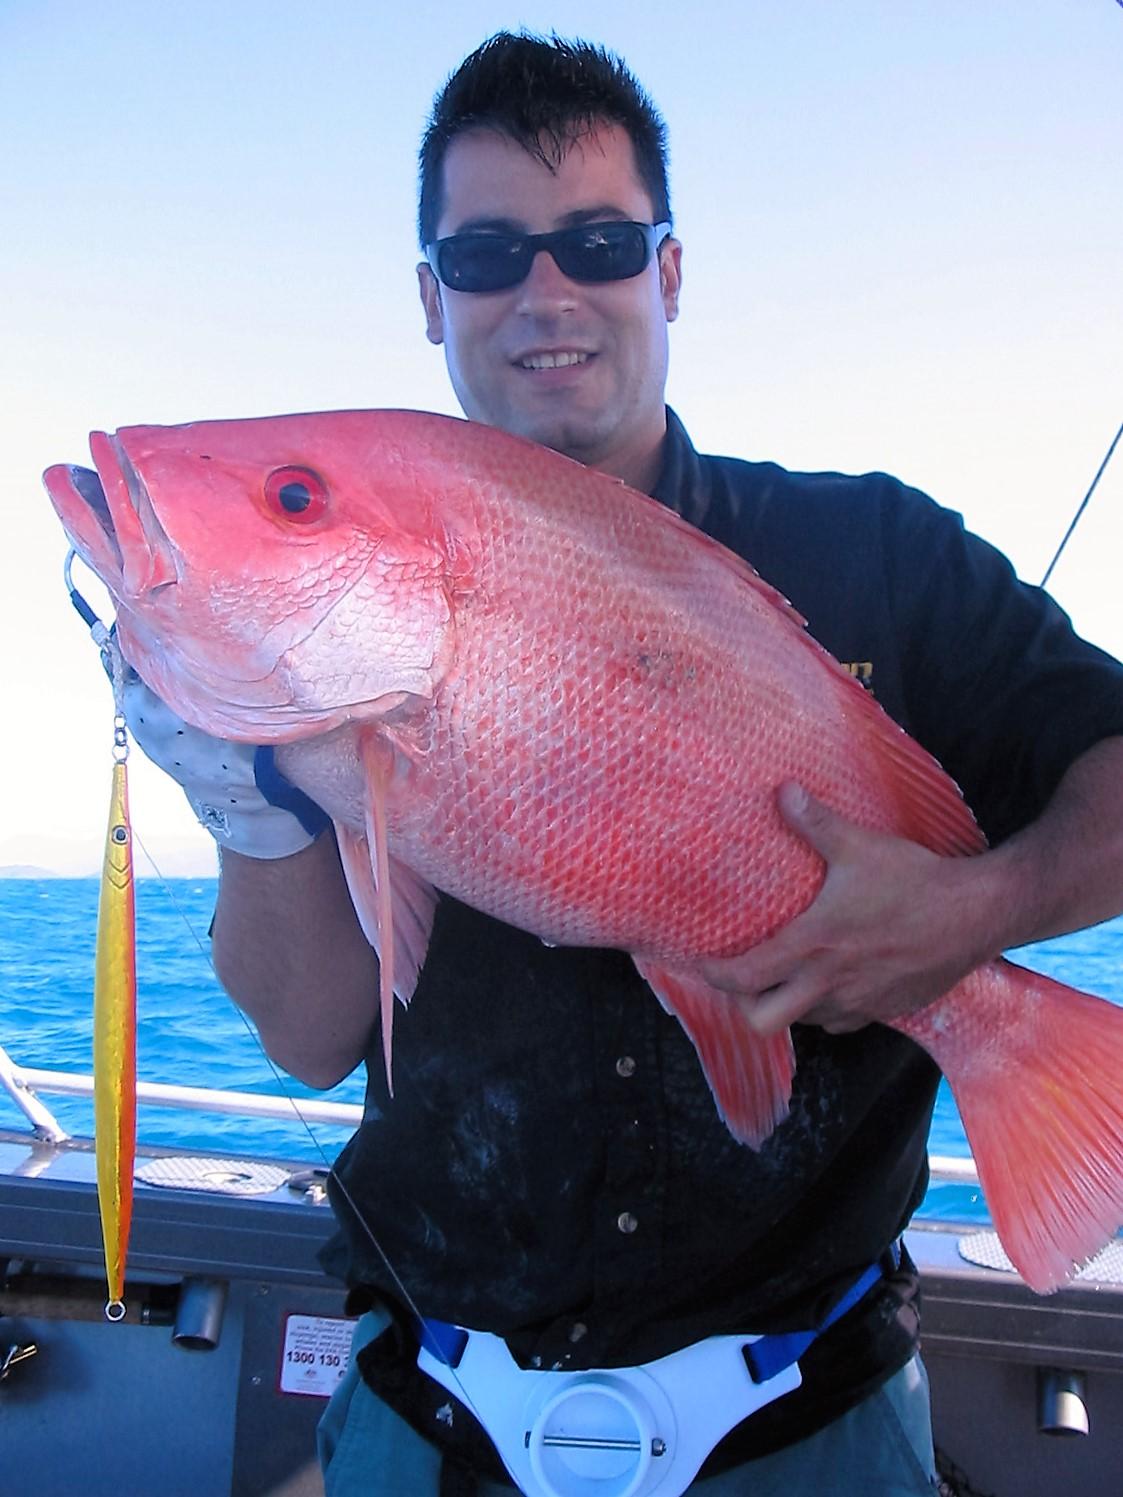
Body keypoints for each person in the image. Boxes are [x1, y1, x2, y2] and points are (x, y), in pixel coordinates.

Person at [128, 32, 1123, 1497]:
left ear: (666, 272)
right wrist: (240, 800)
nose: (545, 294)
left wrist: (971, 916)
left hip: (813, 1425)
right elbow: (313, 1037)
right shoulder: (320, 681)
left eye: (597, 242)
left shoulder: (879, 555)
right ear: (430, 298)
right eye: (484, 255)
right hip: (434, 1419)